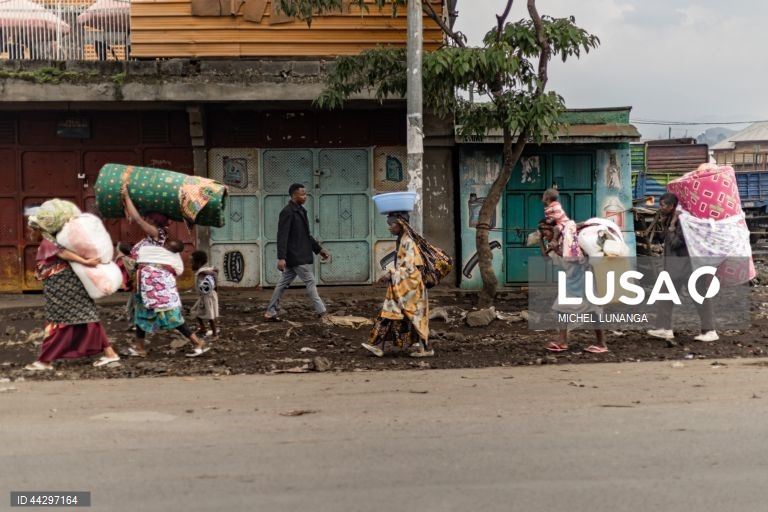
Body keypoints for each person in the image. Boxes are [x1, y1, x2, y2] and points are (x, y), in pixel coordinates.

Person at [24, 200, 120, 371]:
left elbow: (62, 252)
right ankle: (110, 354)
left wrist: (85, 261)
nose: (30, 232)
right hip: (66, 286)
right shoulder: (48, 242)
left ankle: (45, 361)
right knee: (87, 318)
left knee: (60, 322)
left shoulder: (48, 242)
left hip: (64, 288)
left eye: (32, 229)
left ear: (41, 229)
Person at [121, 186, 210, 357]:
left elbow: (138, 219)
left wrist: (126, 197)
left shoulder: (157, 233)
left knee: (170, 316)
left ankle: (198, 343)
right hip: (147, 285)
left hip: (158, 285)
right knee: (142, 315)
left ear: (154, 222)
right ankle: (140, 348)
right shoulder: (151, 238)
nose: (145, 221)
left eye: (149, 219)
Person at [647, 192, 718, 343]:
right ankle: (664, 328)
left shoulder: (682, 221)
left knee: (700, 297)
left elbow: (676, 243)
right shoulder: (669, 218)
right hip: (676, 268)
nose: (660, 208)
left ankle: (709, 331)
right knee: (666, 296)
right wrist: (664, 222)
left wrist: (672, 225)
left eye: (663, 205)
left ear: (672, 206)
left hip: (688, 267)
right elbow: (661, 239)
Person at [362, 211, 433, 358]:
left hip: (410, 288)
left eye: (391, 224)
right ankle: (378, 346)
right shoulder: (402, 241)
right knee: (392, 314)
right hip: (403, 287)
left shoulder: (408, 243)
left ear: (400, 225)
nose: (389, 228)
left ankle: (425, 349)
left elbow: (412, 268)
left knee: (411, 317)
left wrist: (391, 274)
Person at [538, 218, 608, 354]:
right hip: (572, 280)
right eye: (541, 231)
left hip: (584, 278)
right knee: (564, 309)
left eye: (545, 230)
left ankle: (600, 343)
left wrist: (558, 250)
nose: (544, 233)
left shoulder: (568, 240)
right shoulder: (555, 242)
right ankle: (564, 341)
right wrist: (541, 240)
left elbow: (578, 260)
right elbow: (545, 258)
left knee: (592, 311)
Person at [264, 183, 330, 321]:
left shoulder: (300, 211)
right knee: (310, 281)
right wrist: (281, 257)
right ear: (294, 195)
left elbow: (306, 235)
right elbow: (282, 236)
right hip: (295, 255)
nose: (305, 196)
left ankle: (270, 312)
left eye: (305, 194)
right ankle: (322, 311)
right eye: (302, 194)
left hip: (298, 255)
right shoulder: (287, 212)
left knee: (282, 284)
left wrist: (319, 250)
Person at [542, 188, 581, 260]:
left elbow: (558, 215)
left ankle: (554, 240)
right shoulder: (547, 207)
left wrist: (551, 220)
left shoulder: (556, 205)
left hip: (563, 222)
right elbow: (547, 217)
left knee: (556, 228)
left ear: (547, 198)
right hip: (556, 223)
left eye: (544, 196)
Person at [190, 250, 219, 339]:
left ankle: (214, 334)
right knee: (196, 312)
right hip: (205, 297)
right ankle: (203, 328)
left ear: (198, 262)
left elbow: (209, 285)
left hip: (207, 297)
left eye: (192, 262)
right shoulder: (207, 271)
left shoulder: (202, 273)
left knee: (210, 316)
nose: (191, 264)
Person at [115, 241, 136, 330]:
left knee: (130, 306)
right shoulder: (132, 257)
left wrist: (116, 258)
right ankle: (133, 324)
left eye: (117, 249)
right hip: (137, 285)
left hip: (136, 287)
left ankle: (134, 325)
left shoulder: (123, 260)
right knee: (132, 306)